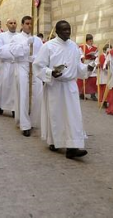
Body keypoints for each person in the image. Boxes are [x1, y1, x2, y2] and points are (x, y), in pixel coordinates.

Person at [33, 20, 91, 158]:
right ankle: (55, 141)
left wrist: (88, 68)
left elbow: (78, 68)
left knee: (74, 116)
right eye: (64, 29)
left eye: (69, 29)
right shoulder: (48, 47)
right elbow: (38, 66)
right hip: (55, 86)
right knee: (56, 115)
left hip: (70, 86)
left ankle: (73, 147)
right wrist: (50, 73)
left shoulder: (74, 47)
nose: (67, 32)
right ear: (57, 31)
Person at [9, 16, 43, 137]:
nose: (29, 26)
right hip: (22, 66)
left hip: (34, 67)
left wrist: (36, 58)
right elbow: (14, 51)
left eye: (31, 24)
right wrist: (25, 44)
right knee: (23, 94)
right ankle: (24, 124)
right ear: (22, 25)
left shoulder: (37, 40)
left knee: (37, 94)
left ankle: (33, 120)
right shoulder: (16, 38)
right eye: (27, 23)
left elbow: (42, 54)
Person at [0, 18, 18, 117]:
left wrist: (11, 49)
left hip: (15, 66)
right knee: (3, 86)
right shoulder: (2, 36)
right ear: (7, 25)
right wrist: (13, 50)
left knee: (14, 88)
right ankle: (0, 105)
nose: (13, 25)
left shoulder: (19, 36)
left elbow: (21, 51)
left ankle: (14, 108)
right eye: (11, 23)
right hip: (5, 66)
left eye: (15, 23)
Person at [77, 34, 98, 101]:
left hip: (92, 62)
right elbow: (80, 54)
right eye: (90, 41)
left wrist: (94, 56)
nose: (91, 42)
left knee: (93, 79)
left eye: (92, 41)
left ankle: (93, 94)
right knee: (84, 78)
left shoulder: (95, 48)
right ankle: (82, 93)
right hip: (85, 62)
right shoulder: (82, 47)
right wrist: (82, 57)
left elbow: (97, 55)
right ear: (87, 41)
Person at [96, 43, 111, 108]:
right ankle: (103, 101)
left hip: (109, 75)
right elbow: (102, 66)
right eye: (108, 51)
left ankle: (107, 101)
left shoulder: (110, 56)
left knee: (108, 89)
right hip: (103, 75)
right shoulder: (102, 56)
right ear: (104, 51)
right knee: (103, 89)